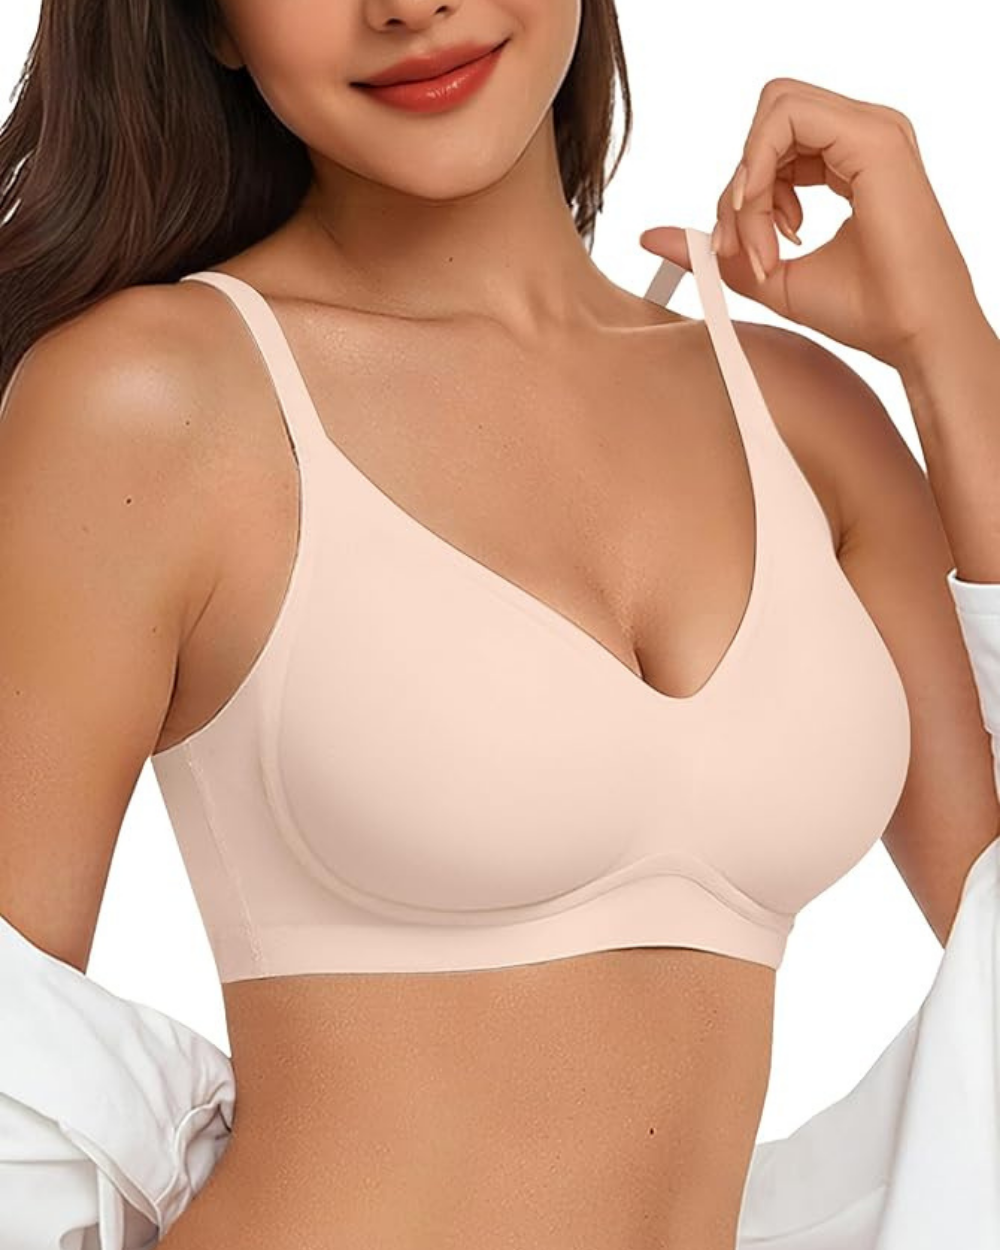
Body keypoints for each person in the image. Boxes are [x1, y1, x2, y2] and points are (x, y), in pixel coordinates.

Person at [1, 3, 998, 1248]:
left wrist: (949, 350)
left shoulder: (806, 422)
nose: (407, 6)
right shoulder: (154, 400)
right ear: (214, 24)